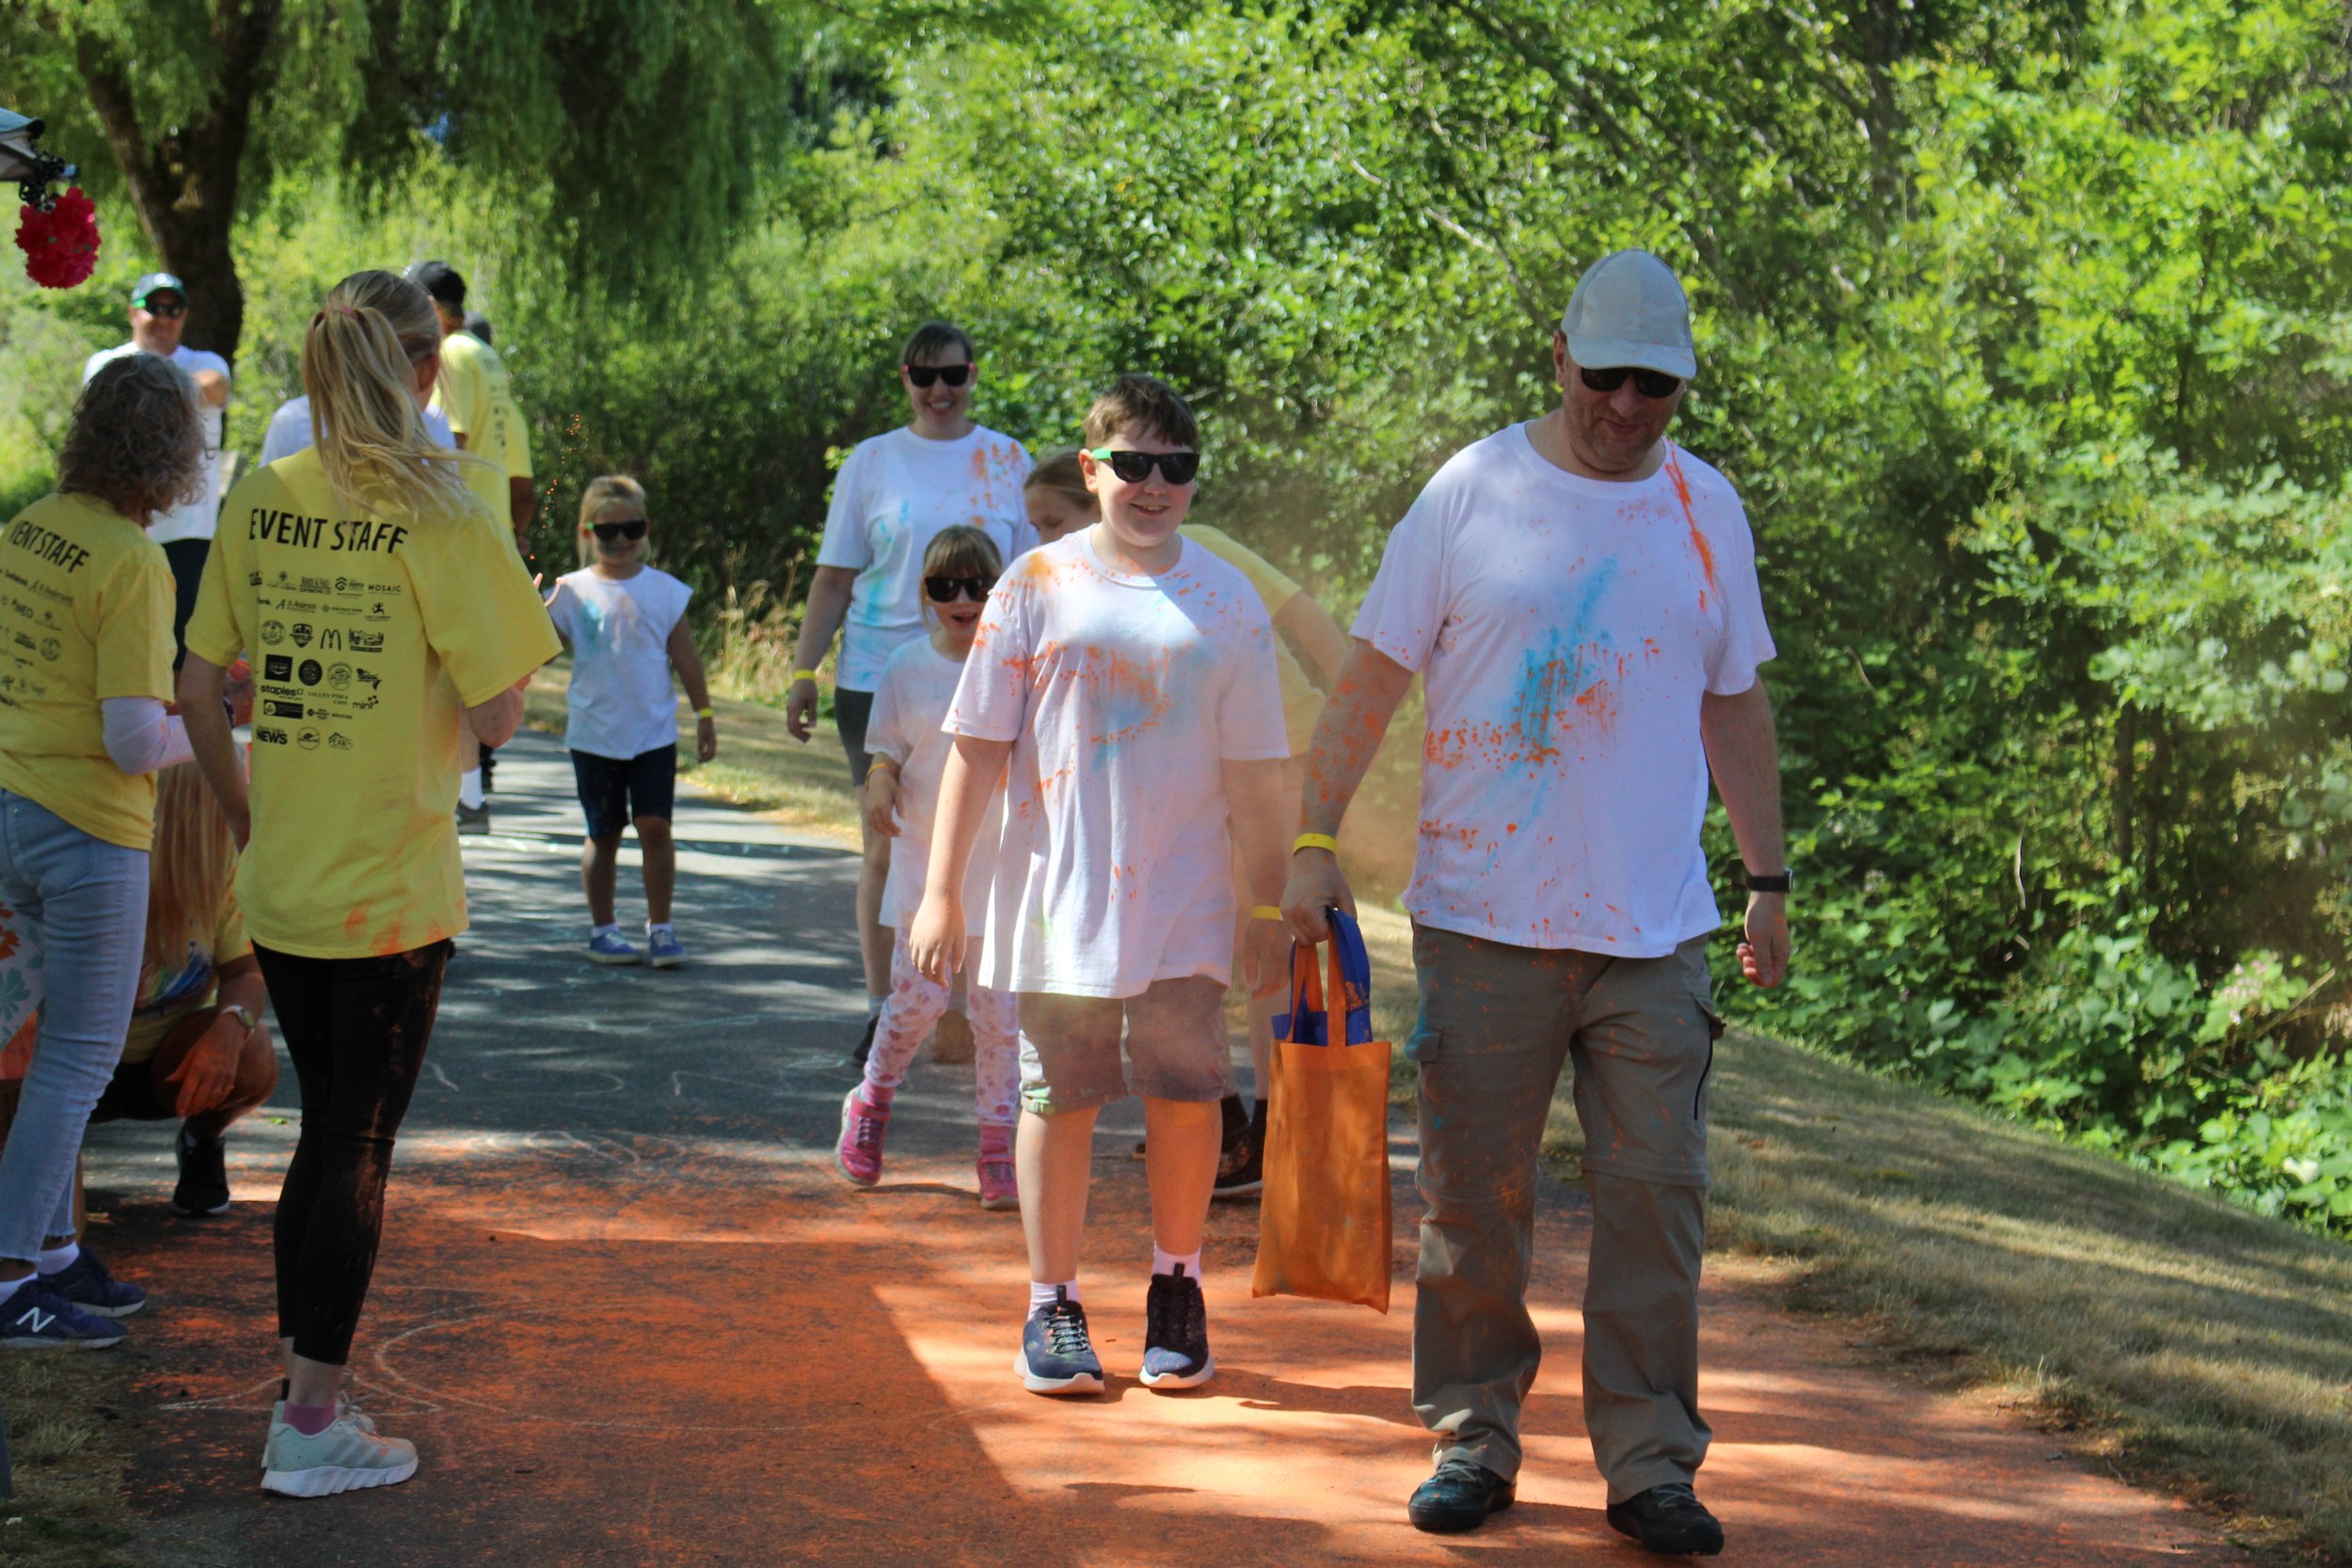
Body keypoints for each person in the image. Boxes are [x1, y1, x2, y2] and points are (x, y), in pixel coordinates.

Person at [1280, 250, 1788, 1556]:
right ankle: (1474, 1431)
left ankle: (1650, 1460)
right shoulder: (1470, 491)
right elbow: (1373, 678)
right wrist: (1315, 833)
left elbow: (1733, 697)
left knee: (1657, 1196)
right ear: (1559, 354)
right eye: (1607, 374)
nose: (1627, 403)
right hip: (1485, 912)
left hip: (1655, 926)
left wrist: (1768, 876)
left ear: (1682, 383)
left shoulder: (1705, 507)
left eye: (1655, 384)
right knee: (1475, 1194)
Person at [180, 269, 558, 1497]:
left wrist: (245, 810)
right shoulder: (442, 505)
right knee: (354, 1143)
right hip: (390, 888)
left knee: (321, 1136)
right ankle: (309, 1421)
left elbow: (200, 680)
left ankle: (305, 1392)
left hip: (284, 878)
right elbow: (501, 708)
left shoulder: (264, 490)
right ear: (425, 369)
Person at [910, 375, 1291, 1398]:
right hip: (1058, 894)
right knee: (1062, 1093)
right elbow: (974, 750)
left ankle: (1176, 1286)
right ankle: (1054, 1302)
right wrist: (941, 890)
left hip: (1187, 898)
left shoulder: (1226, 598)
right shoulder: (1033, 582)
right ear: (1092, 468)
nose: (1154, 484)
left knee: (1184, 1088)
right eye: (1132, 464)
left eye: (1176, 466)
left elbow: (1259, 772)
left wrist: (1268, 900)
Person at [1025, 451, 1349, 1196]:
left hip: (1281, 753)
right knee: (1196, 943)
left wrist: (1346, 718)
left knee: (1264, 934)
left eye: (1053, 521)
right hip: (1208, 775)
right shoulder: (1083, 589)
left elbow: (1302, 614)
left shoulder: (1202, 552)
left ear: (1095, 493)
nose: (1043, 539)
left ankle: (1274, 1130)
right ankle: (1226, 1116)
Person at [0, 354, 202, 1348]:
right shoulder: (132, 561)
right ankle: (8, 1280)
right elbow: (133, 740)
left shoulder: (28, 526)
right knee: (77, 1061)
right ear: (172, 457)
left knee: (52, 1050)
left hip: (12, 812)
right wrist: (220, 728)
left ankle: (51, 1253)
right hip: (88, 828)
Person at [787, 323, 1036, 1066]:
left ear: (973, 375)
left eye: (953, 375)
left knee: (986, 840)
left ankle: (965, 1004)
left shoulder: (1006, 457)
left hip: (985, 672)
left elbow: (1031, 580)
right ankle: (887, 1002)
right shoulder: (871, 461)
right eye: (924, 376)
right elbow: (834, 576)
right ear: (903, 378)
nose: (939, 390)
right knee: (886, 843)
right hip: (878, 671)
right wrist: (805, 672)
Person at [836, 526, 1018, 1208]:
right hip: (925, 865)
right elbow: (886, 746)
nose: (964, 597)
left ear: (999, 592)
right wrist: (880, 779)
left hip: (1000, 866)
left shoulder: (1018, 663)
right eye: (947, 586)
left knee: (1000, 1015)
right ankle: (871, 1102)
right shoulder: (908, 664)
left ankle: (998, 1145)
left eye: (979, 585)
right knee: (919, 1001)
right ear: (927, 595)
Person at [84, 762, 278, 1216]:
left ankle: (202, 1140)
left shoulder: (216, 863)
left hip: (165, 1067)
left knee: (252, 1053)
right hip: (66, 1058)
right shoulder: (82, 853)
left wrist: (231, 1029)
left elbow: (245, 973)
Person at [543, 476, 717, 968]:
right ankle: (604, 930)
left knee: (655, 825)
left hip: (653, 734)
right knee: (604, 832)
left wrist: (704, 714)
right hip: (594, 734)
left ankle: (661, 928)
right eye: (607, 531)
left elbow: (686, 657)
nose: (620, 541)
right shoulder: (570, 592)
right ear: (587, 531)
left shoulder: (665, 591)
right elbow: (541, 652)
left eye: (631, 529)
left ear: (646, 530)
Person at [405, 260, 522, 831]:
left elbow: (447, 443)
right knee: (471, 675)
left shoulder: (447, 354)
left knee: (449, 678)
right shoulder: (487, 356)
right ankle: (470, 795)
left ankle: (464, 797)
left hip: (453, 531)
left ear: (429, 307)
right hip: (488, 524)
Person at [83, 272, 230, 657]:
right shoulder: (105, 362)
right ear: (133, 312)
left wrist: (142, 385)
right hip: (119, 524)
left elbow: (215, 386)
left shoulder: (206, 360)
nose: (163, 317)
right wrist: (173, 388)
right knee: (118, 643)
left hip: (187, 532)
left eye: (174, 308)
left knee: (183, 650)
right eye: (154, 307)